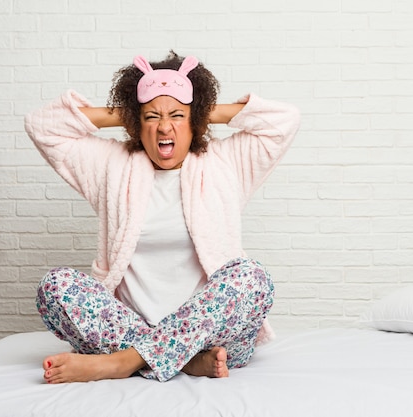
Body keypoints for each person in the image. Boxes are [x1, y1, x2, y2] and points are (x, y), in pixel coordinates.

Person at [24, 51, 300, 383]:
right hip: (126, 328)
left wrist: (197, 110)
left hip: (214, 338)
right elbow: (42, 126)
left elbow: (285, 119)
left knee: (252, 277)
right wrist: (132, 111)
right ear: (136, 123)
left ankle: (122, 363)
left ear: (195, 120)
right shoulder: (111, 166)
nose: (164, 127)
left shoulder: (226, 162)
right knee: (54, 286)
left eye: (177, 116)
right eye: (151, 117)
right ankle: (182, 360)